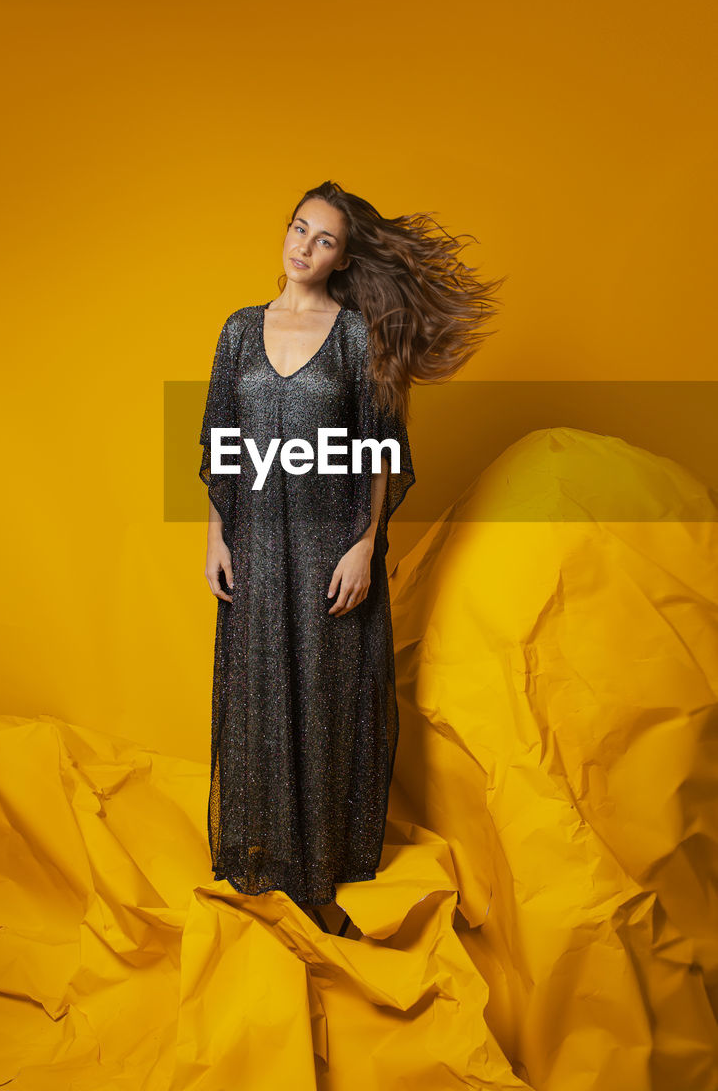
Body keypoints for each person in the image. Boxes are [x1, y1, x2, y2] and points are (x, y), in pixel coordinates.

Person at [199, 180, 505, 936]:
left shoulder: (357, 337)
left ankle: (321, 872)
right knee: (259, 700)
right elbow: (219, 445)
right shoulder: (239, 330)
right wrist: (214, 536)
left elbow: (379, 454)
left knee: (325, 702)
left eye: (322, 239)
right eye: (298, 229)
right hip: (255, 545)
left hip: (327, 550)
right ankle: (265, 863)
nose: (302, 247)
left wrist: (365, 546)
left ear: (342, 256)